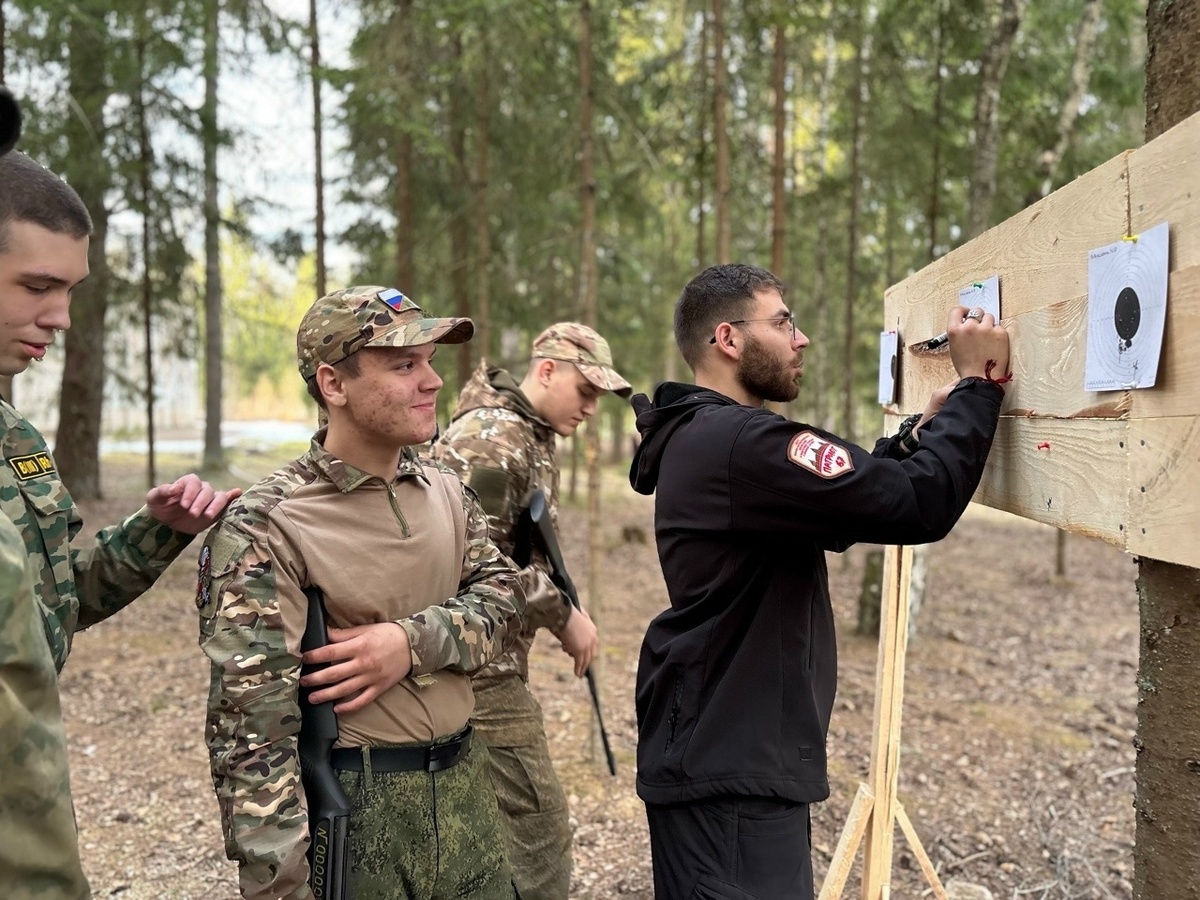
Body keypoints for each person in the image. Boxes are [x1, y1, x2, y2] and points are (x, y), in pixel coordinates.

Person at [628, 263, 1010, 898]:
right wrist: (977, 384)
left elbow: (841, 507)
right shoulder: (741, 441)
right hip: (731, 774)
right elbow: (921, 504)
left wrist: (916, 435)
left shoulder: (710, 437)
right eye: (782, 323)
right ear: (729, 339)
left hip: (721, 751)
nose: (800, 338)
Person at [198, 285, 526, 900]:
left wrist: (411, 643)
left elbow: (506, 598)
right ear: (333, 384)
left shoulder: (448, 492)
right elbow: (250, 734)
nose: (432, 381)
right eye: (404, 365)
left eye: (430, 361)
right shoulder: (270, 522)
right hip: (358, 807)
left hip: (469, 796)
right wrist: (281, 887)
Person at [0, 143, 238, 899]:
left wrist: (155, 531)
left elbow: (44, 608)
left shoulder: (11, 434)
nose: (60, 318)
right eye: (37, 286)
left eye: (70, 290)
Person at [433, 323, 631, 899]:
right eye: (586, 391)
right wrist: (562, 613)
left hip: (483, 658)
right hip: (475, 668)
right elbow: (467, 562)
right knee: (541, 835)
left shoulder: (529, 433)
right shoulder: (492, 441)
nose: (591, 408)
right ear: (546, 371)